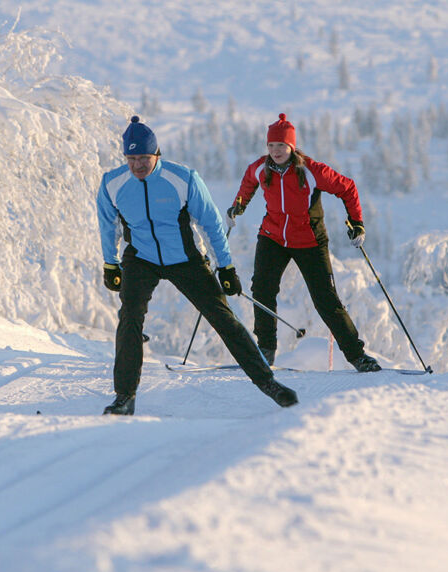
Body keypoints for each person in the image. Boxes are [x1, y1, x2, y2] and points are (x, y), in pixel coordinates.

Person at [97, 116, 298, 415]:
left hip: (185, 258)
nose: (138, 165)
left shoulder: (183, 179)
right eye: (132, 158)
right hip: (141, 257)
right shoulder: (113, 183)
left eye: (144, 158)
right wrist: (111, 263)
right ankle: (125, 397)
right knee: (129, 317)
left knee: (222, 317)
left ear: (157, 154)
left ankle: (269, 383)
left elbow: (211, 224)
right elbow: (107, 224)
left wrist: (225, 266)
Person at [228, 113, 382, 373]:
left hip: (309, 241)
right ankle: (265, 351)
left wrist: (356, 222)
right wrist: (239, 204)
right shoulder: (259, 168)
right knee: (262, 291)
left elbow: (347, 187)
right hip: (273, 237)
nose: (275, 151)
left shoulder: (312, 171)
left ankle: (357, 356)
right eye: (271, 146)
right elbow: (248, 183)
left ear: (291, 146)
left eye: (281, 146)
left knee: (325, 299)